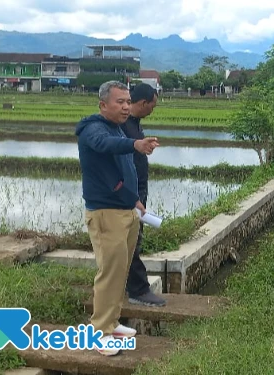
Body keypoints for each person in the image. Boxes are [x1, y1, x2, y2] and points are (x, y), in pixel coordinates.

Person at [75, 80, 160, 356]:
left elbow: (119, 171)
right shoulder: (93, 129)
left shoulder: (118, 127)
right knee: (109, 274)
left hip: (125, 209)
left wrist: (134, 201)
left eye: (127, 101)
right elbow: (105, 145)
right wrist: (135, 144)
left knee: (121, 272)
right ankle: (99, 333)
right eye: (119, 102)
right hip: (106, 213)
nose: (126, 107)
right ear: (103, 105)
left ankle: (111, 323)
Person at [120, 83, 166, 307]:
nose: (153, 111)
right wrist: (132, 195)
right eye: (152, 107)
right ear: (143, 103)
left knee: (133, 238)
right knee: (132, 239)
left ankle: (128, 285)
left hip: (138, 188)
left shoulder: (134, 125)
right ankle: (138, 290)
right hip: (130, 191)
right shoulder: (122, 127)